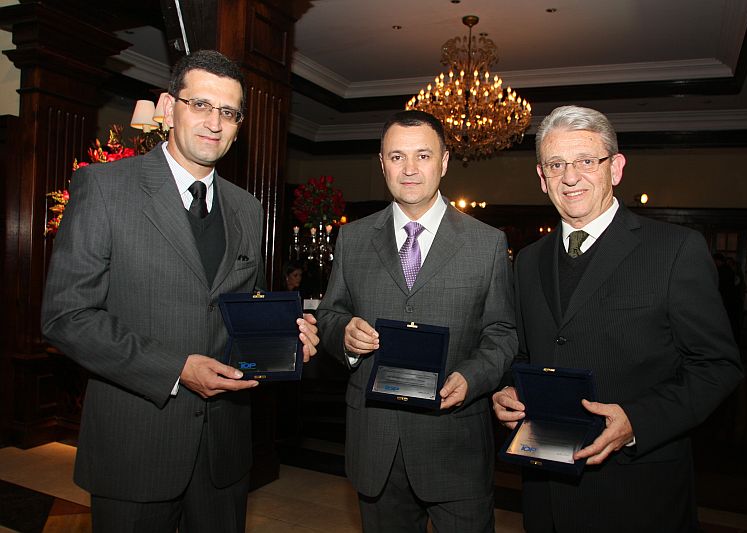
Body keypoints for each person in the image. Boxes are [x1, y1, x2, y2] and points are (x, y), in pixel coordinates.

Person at [41, 50, 318, 533]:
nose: (215, 122)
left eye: (229, 113)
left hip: (224, 454)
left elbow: (241, 312)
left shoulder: (248, 210)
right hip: (135, 446)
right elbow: (67, 317)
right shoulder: (104, 188)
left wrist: (286, 336)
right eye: (201, 105)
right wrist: (176, 369)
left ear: (239, 125)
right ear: (169, 108)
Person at [492, 105, 742, 533]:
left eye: (587, 161)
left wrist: (637, 422)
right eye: (556, 164)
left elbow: (718, 367)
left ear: (617, 168)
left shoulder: (675, 249)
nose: (571, 177)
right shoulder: (529, 262)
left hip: (637, 490)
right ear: (541, 177)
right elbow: (527, 353)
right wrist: (507, 390)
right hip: (546, 490)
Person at [316, 110, 517, 532]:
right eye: (397, 157)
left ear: (443, 162)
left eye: (423, 156)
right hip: (376, 446)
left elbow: (501, 332)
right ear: (382, 163)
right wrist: (345, 336)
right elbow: (330, 314)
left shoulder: (486, 243)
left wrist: (472, 377)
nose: (409, 169)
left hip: (455, 447)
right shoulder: (353, 238)